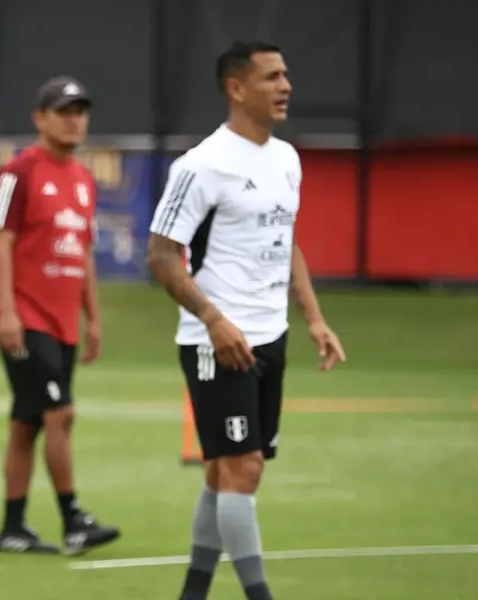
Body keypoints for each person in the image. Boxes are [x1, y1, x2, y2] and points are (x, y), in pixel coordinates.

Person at [146, 41, 347, 600]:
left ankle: (193, 594)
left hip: (271, 337)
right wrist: (214, 319)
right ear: (236, 88)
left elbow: (286, 243)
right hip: (218, 344)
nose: (285, 86)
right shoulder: (201, 165)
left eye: (286, 75)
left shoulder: (287, 159)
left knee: (224, 473)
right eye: (271, 77)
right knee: (246, 469)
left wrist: (314, 319)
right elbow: (161, 257)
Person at [0, 76, 120, 556]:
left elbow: (83, 254)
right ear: (39, 118)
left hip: (63, 322)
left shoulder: (84, 181)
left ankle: (13, 528)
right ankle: (73, 519)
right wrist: (6, 310)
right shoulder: (17, 173)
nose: (74, 119)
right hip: (26, 317)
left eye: (80, 111)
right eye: (64, 111)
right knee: (60, 413)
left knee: (29, 422)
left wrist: (93, 318)